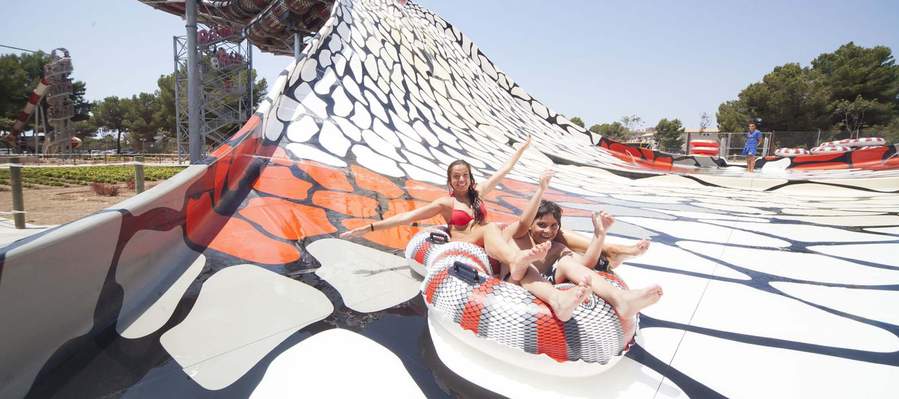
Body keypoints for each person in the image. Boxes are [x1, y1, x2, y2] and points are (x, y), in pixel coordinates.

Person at [341, 138, 590, 321]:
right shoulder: (445, 204)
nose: (461, 180)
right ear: (450, 181)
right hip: (469, 243)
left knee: (523, 225)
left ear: (470, 178)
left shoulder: (478, 195)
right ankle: (518, 262)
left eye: (465, 176)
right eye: (456, 177)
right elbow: (408, 216)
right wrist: (369, 227)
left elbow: (503, 172)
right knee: (491, 227)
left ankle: (596, 255)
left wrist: (520, 151)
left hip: (490, 240)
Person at [502, 176, 663, 323]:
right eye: (542, 225)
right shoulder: (519, 236)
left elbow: (586, 263)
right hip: (513, 283)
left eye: (554, 226)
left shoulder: (555, 246)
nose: (548, 231)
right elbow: (523, 223)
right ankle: (558, 300)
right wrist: (541, 189)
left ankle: (620, 299)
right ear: (531, 224)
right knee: (525, 268)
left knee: (566, 262)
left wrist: (600, 233)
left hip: (547, 282)